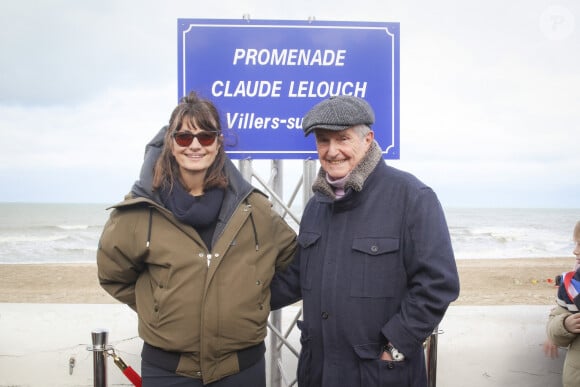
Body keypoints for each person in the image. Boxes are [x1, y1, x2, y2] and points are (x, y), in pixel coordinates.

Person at [97, 91, 297, 386]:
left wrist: (254, 299)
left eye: (205, 137)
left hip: (242, 370)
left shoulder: (255, 209)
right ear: (170, 143)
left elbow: (294, 264)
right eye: (183, 137)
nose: (194, 145)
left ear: (218, 143)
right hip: (168, 372)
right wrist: (158, 306)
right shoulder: (139, 211)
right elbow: (114, 275)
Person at [270, 95, 460, 387]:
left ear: (368, 139)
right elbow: (297, 277)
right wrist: (238, 296)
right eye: (323, 141)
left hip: (381, 375)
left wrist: (394, 349)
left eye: (342, 139)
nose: (332, 151)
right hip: (318, 374)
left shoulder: (412, 197)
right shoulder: (316, 206)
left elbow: (438, 284)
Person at [545, 221, 580, 386]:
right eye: (576, 244)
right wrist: (564, 325)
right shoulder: (570, 286)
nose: (575, 251)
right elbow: (554, 325)